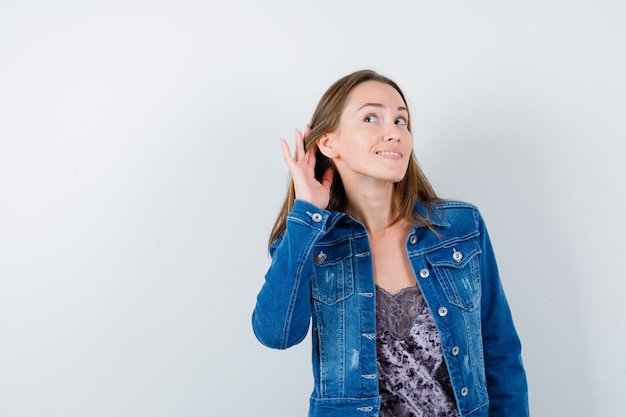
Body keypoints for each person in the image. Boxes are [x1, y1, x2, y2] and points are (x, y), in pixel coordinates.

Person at [251, 69, 528, 417]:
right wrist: (307, 214)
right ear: (328, 142)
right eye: (371, 118)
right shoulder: (312, 243)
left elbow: (500, 353)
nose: (394, 133)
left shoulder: (460, 227)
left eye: (401, 121)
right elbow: (276, 334)